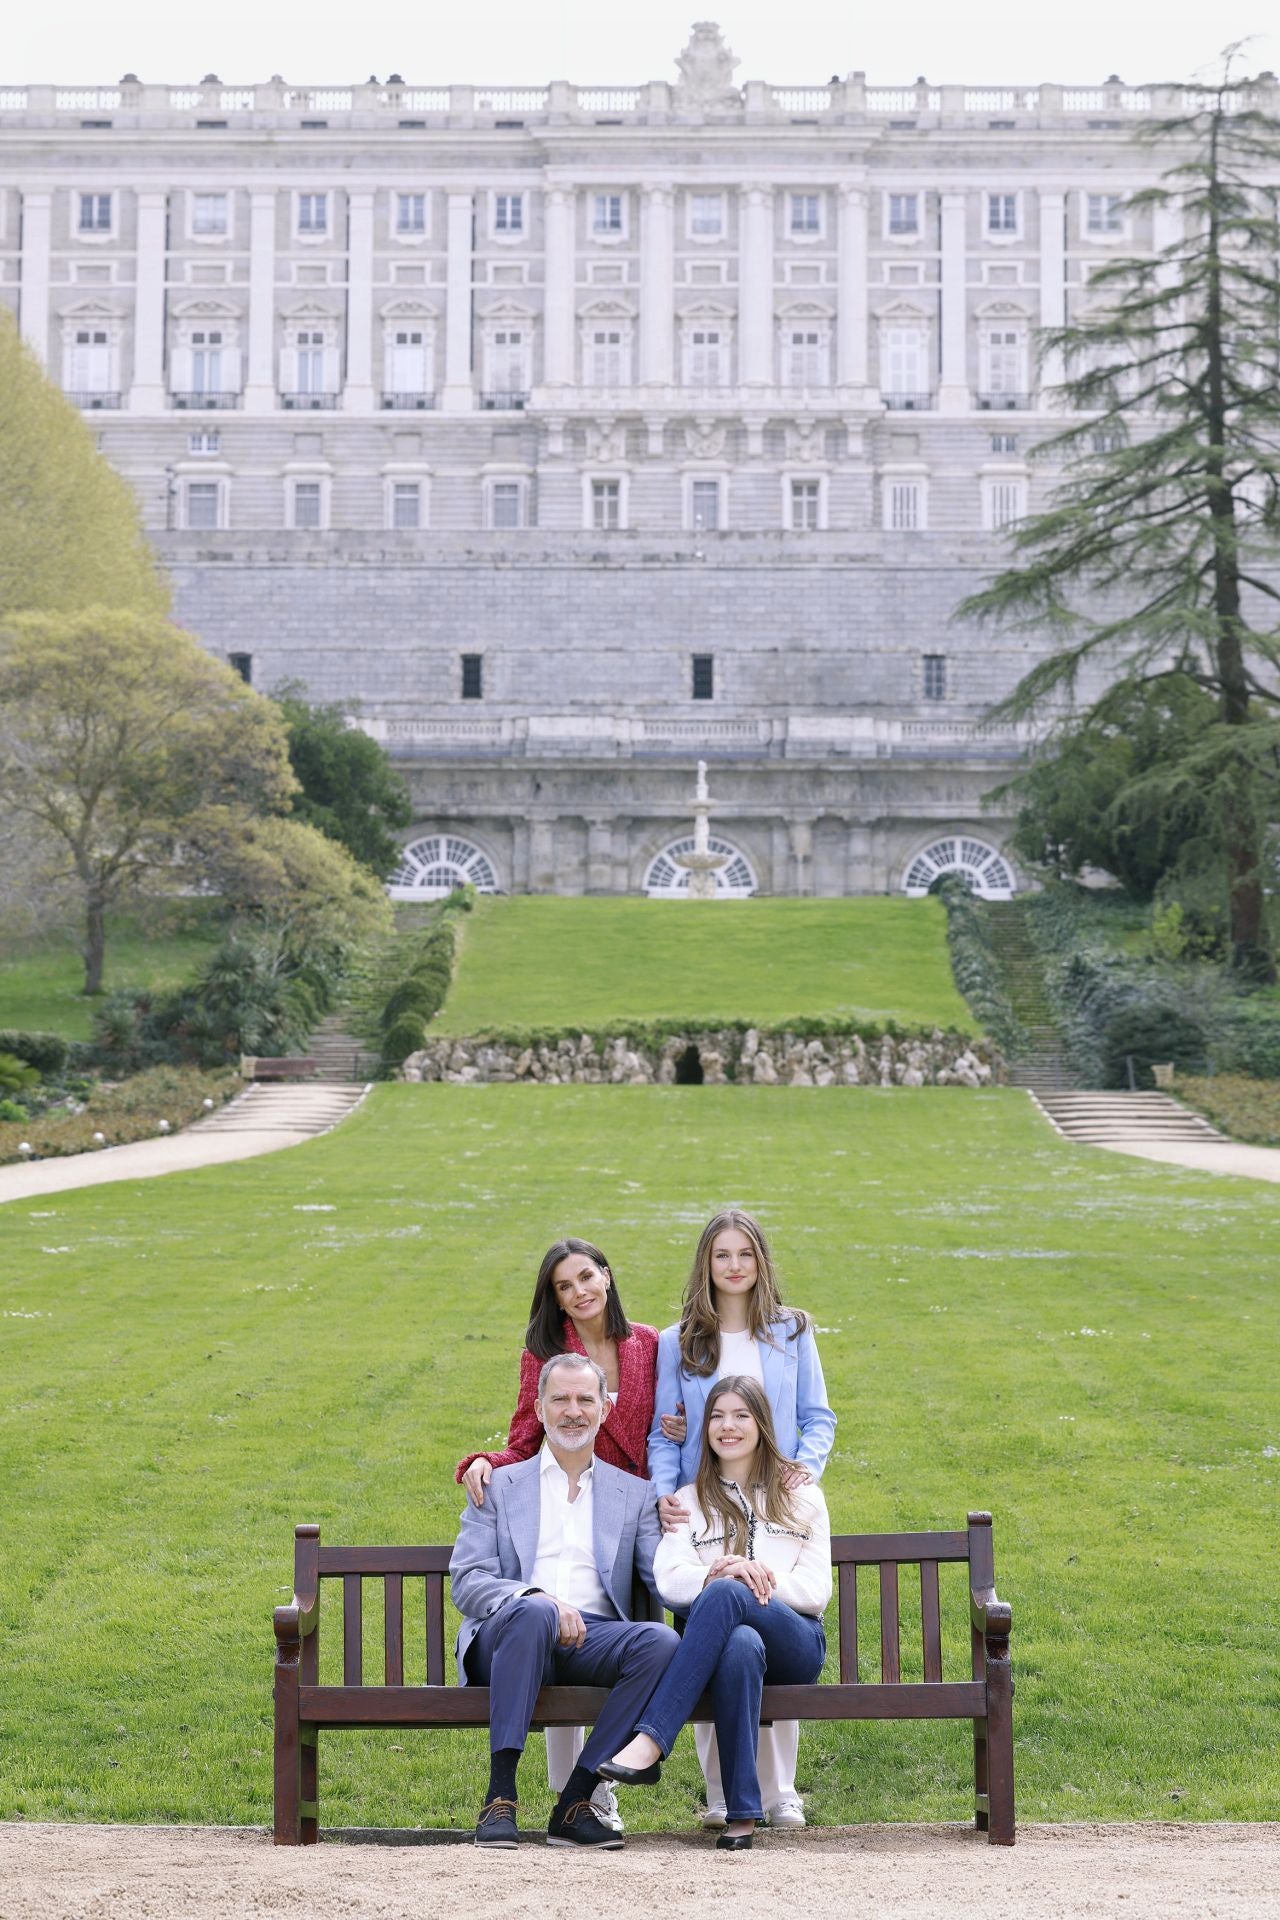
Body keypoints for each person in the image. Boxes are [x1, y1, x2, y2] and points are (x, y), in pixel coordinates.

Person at [455, 1236, 681, 1830]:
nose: (573, 1411)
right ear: (539, 1406)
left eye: (586, 1399)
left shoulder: (632, 1496)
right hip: (508, 1636)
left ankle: (576, 1799)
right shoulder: (500, 1486)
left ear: (606, 1407)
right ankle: (499, 1798)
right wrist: (535, 1599)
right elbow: (468, 1581)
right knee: (531, 1615)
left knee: (659, 1644)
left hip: (591, 1639)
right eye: (561, 1400)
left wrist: (714, 1573)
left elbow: (660, 1573)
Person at [646, 1207, 835, 1829]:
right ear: (706, 1263)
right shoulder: (679, 1342)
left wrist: (800, 1469)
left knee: (743, 1605)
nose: (733, 1267)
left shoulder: (790, 1331)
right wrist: (670, 1496)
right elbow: (666, 1431)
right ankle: (728, 1794)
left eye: (744, 1255)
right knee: (731, 1632)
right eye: (721, 1255)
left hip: (775, 1498)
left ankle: (773, 1790)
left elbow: (817, 1416)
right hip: (709, 1502)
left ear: (761, 1262)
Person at [599, 1375, 831, 1851]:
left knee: (730, 1590)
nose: (728, 1426)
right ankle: (741, 1815)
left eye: (741, 1415)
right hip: (725, 1646)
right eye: (718, 1416)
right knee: (738, 1644)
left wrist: (754, 1576)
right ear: (705, 1429)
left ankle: (652, 1741)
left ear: (762, 1424)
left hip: (796, 1641)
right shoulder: (689, 1501)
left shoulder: (802, 1496)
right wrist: (711, 1577)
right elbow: (667, 1578)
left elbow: (815, 1591)